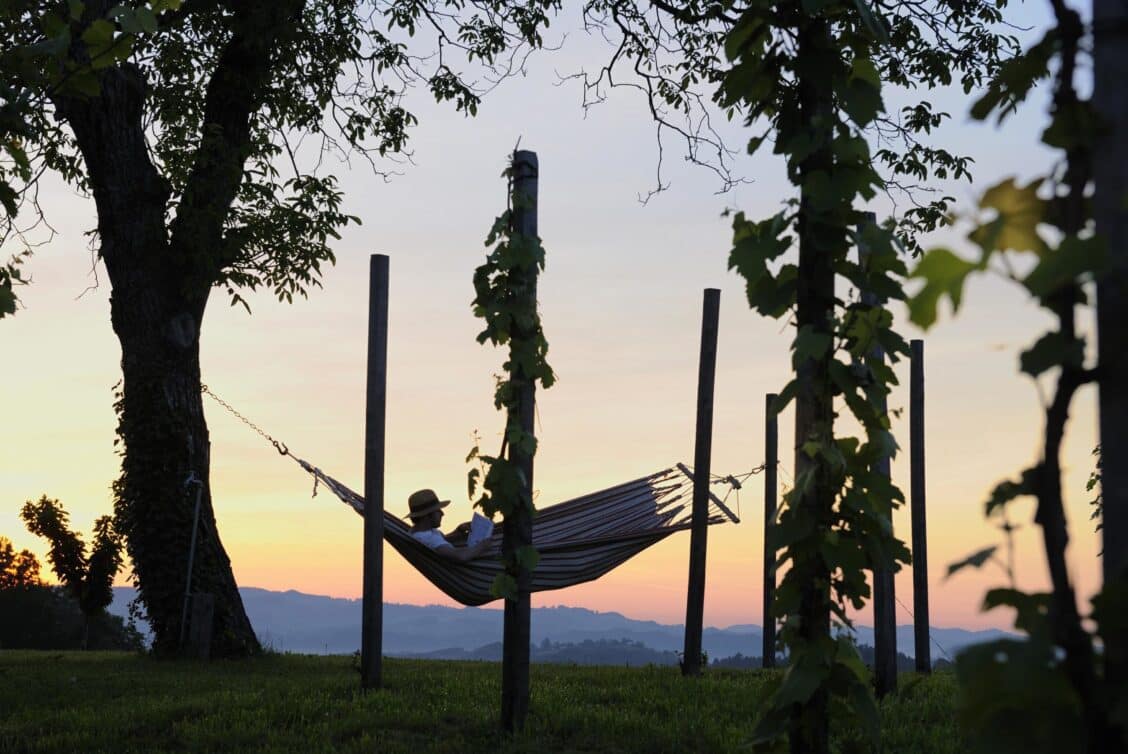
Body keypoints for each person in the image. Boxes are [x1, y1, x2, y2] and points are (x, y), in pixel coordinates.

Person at [406, 489, 490, 562]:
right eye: (438, 511)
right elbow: (461, 557)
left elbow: (441, 541)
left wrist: (458, 531)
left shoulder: (418, 532)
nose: (442, 514)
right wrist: (483, 545)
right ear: (426, 516)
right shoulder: (427, 538)